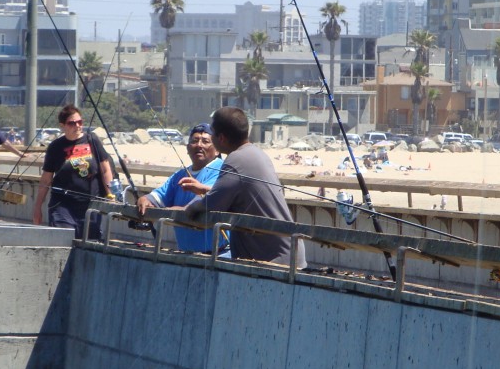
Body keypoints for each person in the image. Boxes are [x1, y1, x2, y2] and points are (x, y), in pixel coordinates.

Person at [184, 106, 306, 268]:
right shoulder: (257, 153)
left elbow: (211, 204)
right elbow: (239, 192)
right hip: (289, 254)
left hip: (274, 261)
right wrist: (205, 189)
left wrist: (190, 209)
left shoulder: (235, 160)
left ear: (221, 138)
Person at [136, 123, 229, 253]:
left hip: (218, 254)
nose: (199, 145)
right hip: (186, 254)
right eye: (194, 141)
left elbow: (193, 208)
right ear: (187, 148)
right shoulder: (179, 175)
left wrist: (166, 211)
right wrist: (145, 199)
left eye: (206, 141)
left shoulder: (221, 170)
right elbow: (158, 196)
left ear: (217, 149)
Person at [32, 104, 113, 239]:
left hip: (90, 206)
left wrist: (111, 195)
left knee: (90, 245)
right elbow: (46, 179)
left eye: (79, 122)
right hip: (62, 206)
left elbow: (105, 169)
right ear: (62, 125)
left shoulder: (92, 140)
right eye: (72, 123)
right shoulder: (55, 147)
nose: (77, 126)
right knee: (64, 241)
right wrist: (37, 207)